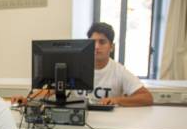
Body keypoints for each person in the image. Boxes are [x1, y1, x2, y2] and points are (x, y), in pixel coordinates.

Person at [12, 22, 153, 107]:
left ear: (112, 47)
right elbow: (51, 89)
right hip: (77, 122)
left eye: (102, 42)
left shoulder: (119, 71)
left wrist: (116, 100)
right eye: (93, 42)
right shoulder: (74, 65)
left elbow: (147, 97)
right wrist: (28, 99)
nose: (97, 47)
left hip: (107, 123)